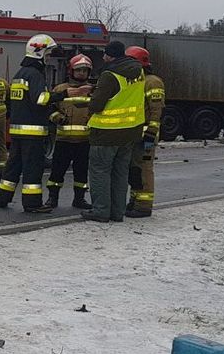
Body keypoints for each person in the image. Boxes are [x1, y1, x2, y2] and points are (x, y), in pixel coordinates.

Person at [0, 34, 88, 213]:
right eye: (47, 54)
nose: (48, 58)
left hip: (18, 130)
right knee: (32, 169)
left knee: (12, 168)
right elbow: (41, 99)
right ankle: (32, 204)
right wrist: (66, 93)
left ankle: (3, 198)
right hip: (32, 133)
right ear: (39, 53)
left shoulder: (20, 73)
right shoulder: (35, 74)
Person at [82, 40, 145, 223]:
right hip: (130, 132)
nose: (103, 57)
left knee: (100, 172)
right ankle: (117, 212)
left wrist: (89, 97)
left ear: (110, 56)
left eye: (105, 54)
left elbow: (97, 104)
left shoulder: (110, 74)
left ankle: (101, 211)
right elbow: (124, 94)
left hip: (106, 132)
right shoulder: (139, 71)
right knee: (120, 173)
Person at [44, 54, 94, 209]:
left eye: (85, 71)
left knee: (81, 173)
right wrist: (57, 117)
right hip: (63, 140)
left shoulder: (92, 90)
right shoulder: (61, 89)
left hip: (84, 141)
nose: (82, 73)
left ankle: (79, 199)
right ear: (71, 71)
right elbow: (49, 108)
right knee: (57, 173)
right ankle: (52, 198)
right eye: (78, 70)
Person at [126, 46, 166, 218]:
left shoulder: (153, 82)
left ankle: (144, 206)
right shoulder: (136, 81)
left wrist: (151, 131)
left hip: (146, 134)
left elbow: (156, 110)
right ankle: (135, 200)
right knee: (135, 169)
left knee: (144, 169)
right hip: (135, 133)